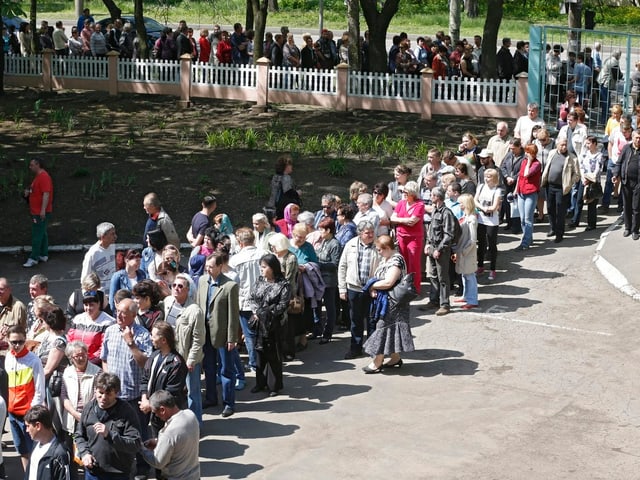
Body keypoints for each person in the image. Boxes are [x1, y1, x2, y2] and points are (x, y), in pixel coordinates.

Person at [100, 298, 152, 476]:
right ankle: (121, 468)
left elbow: (145, 363)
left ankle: (143, 467)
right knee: (115, 434)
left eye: (123, 313)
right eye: (117, 311)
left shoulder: (142, 334)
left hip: (134, 396)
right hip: (114, 396)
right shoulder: (110, 331)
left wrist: (131, 343)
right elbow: (104, 358)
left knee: (138, 434)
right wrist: (107, 380)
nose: (119, 315)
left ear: (133, 315)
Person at [361, 234, 415, 372]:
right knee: (391, 329)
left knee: (382, 328)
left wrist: (372, 286)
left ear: (387, 248)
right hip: (386, 301)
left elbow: (389, 282)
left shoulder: (396, 260)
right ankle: (395, 358)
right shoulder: (386, 258)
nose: (378, 252)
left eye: (379, 249)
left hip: (393, 302)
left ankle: (377, 362)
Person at [197, 252, 240, 417]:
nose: (208, 269)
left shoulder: (229, 286)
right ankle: (211, 398)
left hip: (222, 334)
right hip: (205, 332)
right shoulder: (202, 281)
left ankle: (229, 403)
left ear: (220, 267)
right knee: (208, 367)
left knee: (226, 369)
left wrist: (232, 338)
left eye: (211, 267)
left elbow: (233, 315)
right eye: (207, 266)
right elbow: (198, 304)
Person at [75, 372, 141, 480]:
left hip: (118, 474)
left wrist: (110, 435)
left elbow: (135, 444)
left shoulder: (127, 412)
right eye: (100, 393)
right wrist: (85, 453)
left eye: (108, 394)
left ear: (116, 393)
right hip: (93, 473)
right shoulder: (89, 409)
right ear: (95, 390)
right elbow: (78, 435)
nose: (103, 397)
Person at [163, 273, 204, 423]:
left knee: (192, 392)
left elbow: (198, 339)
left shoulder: (195, 310)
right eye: (174, 285)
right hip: (171, 356)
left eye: (181, 286)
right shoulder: (167, 302)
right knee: (174, 391)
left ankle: (196, 423)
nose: (176, 289)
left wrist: (191, 360)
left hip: (187, 358)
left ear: (187, 290)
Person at [247, 253, 291, 396]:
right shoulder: (260, 281)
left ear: (272, 268)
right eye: (261, 267)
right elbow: (251, 298)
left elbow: (283, 305)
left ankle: (274, 386)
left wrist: (267, 314)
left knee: (273, 355)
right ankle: (260, 383)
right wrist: (256, 312)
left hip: (273, 325)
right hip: (259, 324)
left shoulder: (283, 285)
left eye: (264, 267)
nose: (262, 270)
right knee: (259, 354)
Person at [338, 220, 381, 359]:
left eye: (372, 232)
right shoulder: (350, 245)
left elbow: (384, 267)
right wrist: (342, 289)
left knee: (372, 320)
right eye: (367, 233)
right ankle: (355, 349)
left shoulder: (378, 245)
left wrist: (378, 286)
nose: (370, 235)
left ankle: (372, 349)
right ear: (360, 233)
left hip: (372, 290)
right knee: (355, 320)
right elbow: (342, 266)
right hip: (354, 289)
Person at [5, 325, 46, 470]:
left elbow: (40, 390)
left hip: (27, 414)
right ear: (7, 341)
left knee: (34, 451)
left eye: (20, 342)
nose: (17, 346)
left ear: (25, 340)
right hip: (12, 413)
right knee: (22, 451)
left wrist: (32, 414)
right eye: (13, 342)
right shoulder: (8, 357)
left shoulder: (33, 360)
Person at [140, 321, 187, 435]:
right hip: (155, 413)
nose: (151, 338)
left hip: (168, 416)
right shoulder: (154, 356)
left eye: (154, 336)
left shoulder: (177, 363)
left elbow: (170, 393)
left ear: (164, 340)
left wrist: (150, 405)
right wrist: (144, 398)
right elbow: (145, 379)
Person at [141, 390, 200, 480]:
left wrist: (142, 449)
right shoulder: (190, 415)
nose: (156, 416)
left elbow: (158, 462)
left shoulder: (168, 433)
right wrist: (158, 442)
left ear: (162, 410)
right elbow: (180, 441)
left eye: (155, 412)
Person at [60, 341, 102, 463]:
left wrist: (84, 415)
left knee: (90, 454)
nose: (81, 358)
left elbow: (97, 396)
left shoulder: (97, 372)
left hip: (90, 418)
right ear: (71, 358)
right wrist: (74, 413)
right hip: (71, 419)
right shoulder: (67, 372)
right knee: (71, 456)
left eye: (83, 354)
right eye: (77, 356)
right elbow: (64, 396)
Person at [424, 187, 457, 315]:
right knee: (432, 275)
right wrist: (427, 244)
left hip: (441, 249)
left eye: (432, 194)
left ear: (438, 197)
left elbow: (449, 234)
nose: (430, 196)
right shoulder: (434, 211)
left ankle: (445, 304)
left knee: (443, 277)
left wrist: (439, 249)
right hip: (432, 247)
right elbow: (431, 230)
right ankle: (434, 300)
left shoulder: (446, 213)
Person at [542, 138, 580, 243]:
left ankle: (559, 233)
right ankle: (553, 228)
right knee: (550, 208)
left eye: (565, 145)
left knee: (560, 211)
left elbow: (577, 174)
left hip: (561, 188)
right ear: (557, 145)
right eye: (561, 145)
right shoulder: (552, 153)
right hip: (549, 186)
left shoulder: (572, 157)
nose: (563, 147)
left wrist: (569, 183)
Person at [391, 181, 424, 294]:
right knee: (403, 262)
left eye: (406, 192)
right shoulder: (401, 203)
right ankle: (404, 285)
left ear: (413, 194)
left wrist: (400, 220)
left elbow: (413, 222)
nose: (403, 194)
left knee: (414, 262)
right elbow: (392, 218)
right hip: (401, 237)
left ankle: (415, 288)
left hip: (414, 238)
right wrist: (405, 220)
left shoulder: (420, 205)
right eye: (403, 191)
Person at [66, 290, 115, 365]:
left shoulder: (108, 322)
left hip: (96, 364)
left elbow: (104, 348)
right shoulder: (78, 319)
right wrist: (74, 357)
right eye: (86, 305)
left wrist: (88, 362)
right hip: (76, 361)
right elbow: (69, 340)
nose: (88, 308)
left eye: (91, 305)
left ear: (98, 304)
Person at [24, 405, 71, 480]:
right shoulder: (35, 443)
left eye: (28, 426)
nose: (27, 430)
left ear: (38, 426)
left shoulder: (59, 454)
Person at [21, 158, 53, 268]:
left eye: (32, 165)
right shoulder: (38, 177)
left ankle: (34, 257)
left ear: (38, 165)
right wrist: (28, 192)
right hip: (37, 211)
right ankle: (44, 254)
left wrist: (42, 210)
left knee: (37, 235)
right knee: (42, 232)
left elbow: (46, 194)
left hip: (39, 212)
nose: (30, 167)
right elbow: (37, 191)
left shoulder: (43, 177)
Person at [474, 169, 502, 281]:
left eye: (489, 176)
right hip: (481, 219)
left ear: (494, 178)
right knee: (481, 243)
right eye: (485, 176)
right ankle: (480, 266)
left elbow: (495, 206)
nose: (486, 178)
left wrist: (489, 209)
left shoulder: (497, 190)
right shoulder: (480, 187)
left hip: (492, 221)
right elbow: (475, 200)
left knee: (492, 244)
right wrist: (483, 208)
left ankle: (492, 268)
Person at [612, 130, 640, 240]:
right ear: (632, 138)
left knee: (636, 208)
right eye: (637, 137)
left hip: (638, 184)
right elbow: (619, 162)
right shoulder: (626, 148)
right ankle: (627, 228)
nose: (638, 140)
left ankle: (635, 230)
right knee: (627, 206)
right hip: (626, 182)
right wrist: (616, 174)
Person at [514, 144, 542, 250]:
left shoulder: (536, 164)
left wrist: (529, 162)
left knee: (528, 219)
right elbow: (520, 177)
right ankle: (529, 238)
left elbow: (526, 174)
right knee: (522, 219)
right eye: (526, 152)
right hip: (521, 192)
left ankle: (525, 243)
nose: (526, 154)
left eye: (529, 152)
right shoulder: (524, 161)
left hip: (531, 193)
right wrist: (516, 190)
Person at [573, 136, 603, 231]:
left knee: (592, 203)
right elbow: (581, 166)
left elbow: (598, 169)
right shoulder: (585, 154)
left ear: (594, 144)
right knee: (579, 201)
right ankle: (575, 220)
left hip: (593, 182)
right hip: (584, 180)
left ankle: (591, 224)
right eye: (586, 143)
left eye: (589, 143)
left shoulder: (599, 155)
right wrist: (583, 177)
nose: (587, 145)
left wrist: (590, 179)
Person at [81, 222, 117, 300]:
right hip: (100, 295)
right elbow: (85, 278)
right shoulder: (92, 254)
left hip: (113, 291)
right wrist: (87, 297)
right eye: (112, 234)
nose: (115, 236)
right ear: (103, 237)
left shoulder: (112, 247)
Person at [454, 194, 478, 309]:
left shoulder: (471, 219)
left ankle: (472, 299)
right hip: (462, 251)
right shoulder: (465, 216)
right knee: (464, 275)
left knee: (469, 276)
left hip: (468, 253)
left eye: (461, 203)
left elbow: (473, 239)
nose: (459, 205)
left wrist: (464, 251)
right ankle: (466, 296)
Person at [267, 154, 300, 220]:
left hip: (272, 206)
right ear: (286, 166)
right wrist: (297, 193)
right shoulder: (286, 177)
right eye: (290, 165)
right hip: (282, 207)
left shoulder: (275, 177)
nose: (292, 167)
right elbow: (288, 191)